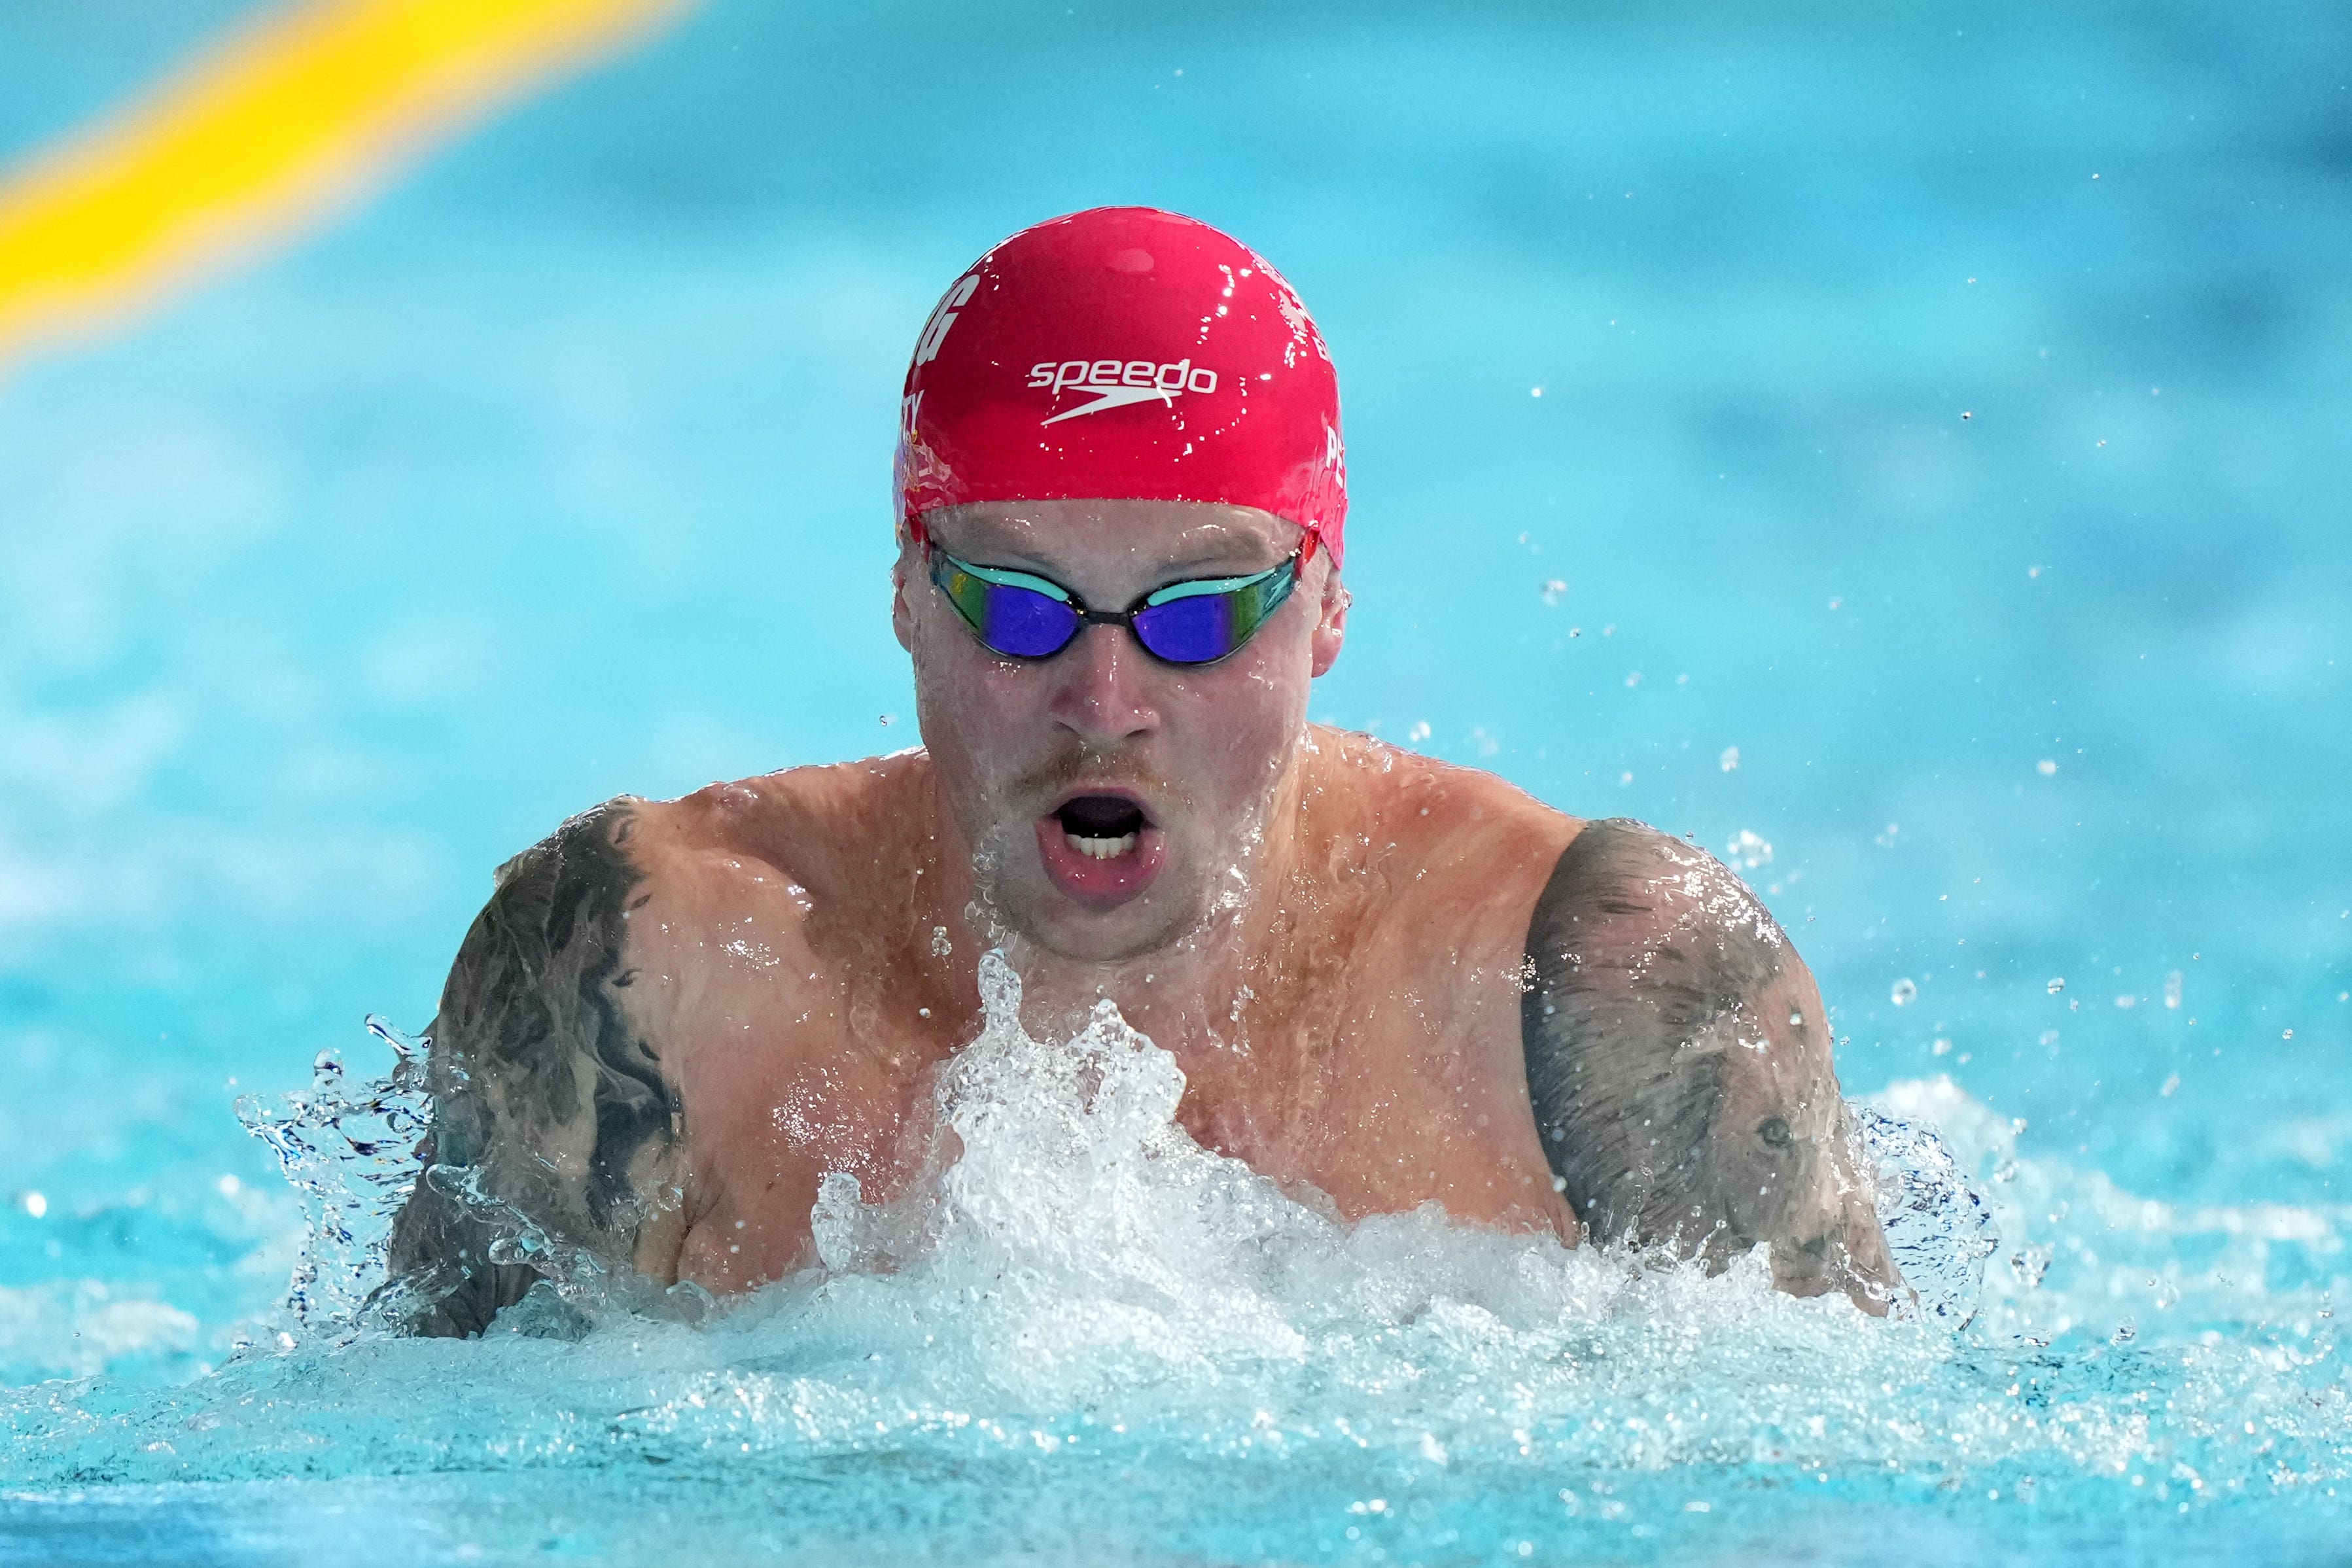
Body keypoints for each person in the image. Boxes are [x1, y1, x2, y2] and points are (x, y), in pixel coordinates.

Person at [387, 207, 1895, 1336]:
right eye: (1020, 602)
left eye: (1197, 611)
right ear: (908, 590)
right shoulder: (650, 977)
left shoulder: (1590, 993)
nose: (1103, 700)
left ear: (1327, 608)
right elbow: (402, 1468)